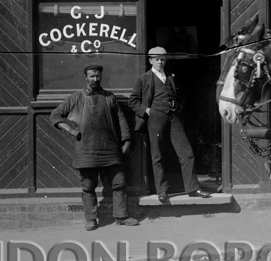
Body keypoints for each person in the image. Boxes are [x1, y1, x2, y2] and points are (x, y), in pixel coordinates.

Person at [50, 63, 138, 231]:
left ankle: (121, 216)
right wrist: (71, 130)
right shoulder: (76, 97)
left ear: (101, 77)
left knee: (119, 183)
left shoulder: (110, 97)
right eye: (91, 76)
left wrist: (126, 141)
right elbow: (55, 116)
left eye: (97, 76)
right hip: (86, 150)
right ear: (86, 78)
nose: (95, 79)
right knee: (88, 186)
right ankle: (91, 219)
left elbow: (121, 121)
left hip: (110, 149)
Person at [130, 45, 211, 205]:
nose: (160, 62)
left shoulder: (171, 76)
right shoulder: (143, 78)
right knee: (157, 155)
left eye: (162, 59)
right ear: (150, 60)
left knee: (186, 152)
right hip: (155, 116)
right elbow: (133, 101)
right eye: (157, 59)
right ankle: (162, 191)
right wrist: (148, 111)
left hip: (173, 116)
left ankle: (193, 189)